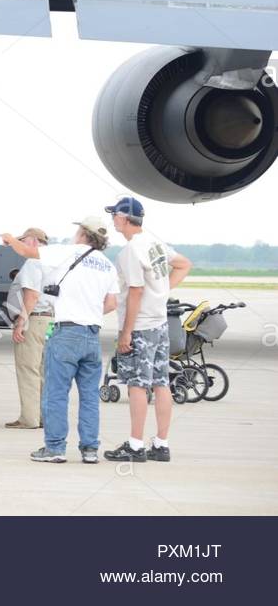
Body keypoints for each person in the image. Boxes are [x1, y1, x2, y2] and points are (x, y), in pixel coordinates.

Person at [3, 216, 120, 463]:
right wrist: (90, 312)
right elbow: (111, 303)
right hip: (92, 335)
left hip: (66, 332)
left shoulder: (68, 253)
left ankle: (55, 448)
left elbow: (28, 251)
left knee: (56, 393)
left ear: (83, 234)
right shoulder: (107, 265)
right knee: (89, 396)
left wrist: (10, 239)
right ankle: (89, 449)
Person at [104, 196, 192, 463]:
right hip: (160, 323)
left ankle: (135, 445)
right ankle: (161, 444)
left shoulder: (130, 251)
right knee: (161, 382)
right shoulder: (154, 243)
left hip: (141, 325)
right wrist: (162, 292)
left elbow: (136, 291)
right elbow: (184, 264)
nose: (113, 220)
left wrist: (126, 332)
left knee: (137, 386)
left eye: (114, 215)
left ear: (123, 218)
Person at [6, 227, 53, 430]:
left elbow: (31, 295)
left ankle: (29, 418)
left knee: (28, 369)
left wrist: (21, 322)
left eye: (23, 241)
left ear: (33, 241)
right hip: (50, 320)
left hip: (34, 320)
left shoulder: (33, 263)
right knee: (43, 370)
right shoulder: (52, 264)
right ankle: (43, 416)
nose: (21, 246)